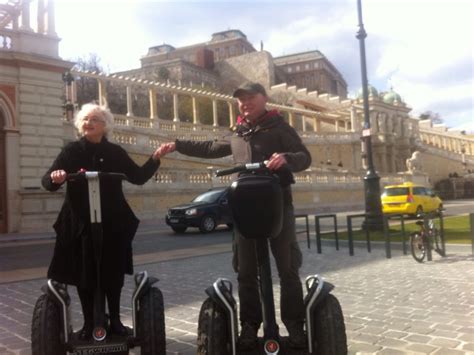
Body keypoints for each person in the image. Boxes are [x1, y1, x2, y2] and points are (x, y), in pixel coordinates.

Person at [158, 82, 311, 349]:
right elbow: (209, 147)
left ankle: (295, 324)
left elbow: (304, 157)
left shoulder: (279, 128)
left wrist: (286, 158)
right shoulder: (237, 133)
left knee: (288, 267)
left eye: (251, 97)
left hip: (278, 206)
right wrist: (177, 144)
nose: (245, 103)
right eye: (241, 100)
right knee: (246, 271)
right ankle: (250, 325)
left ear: (264, 98)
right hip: (245, 208)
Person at [42, 103, 165, 339]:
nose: (89, 122)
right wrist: (55, 178)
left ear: (105, 125)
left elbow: (137, 177)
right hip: (80, 224)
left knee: (112, 272)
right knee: (84, 274)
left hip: (112, 222)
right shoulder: (71, 152)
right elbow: (47, 181)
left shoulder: (115, 153)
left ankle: (116, 320)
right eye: (86, 119)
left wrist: (155, 159)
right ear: (80, 124)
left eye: (95, 119)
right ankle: (89, 323)